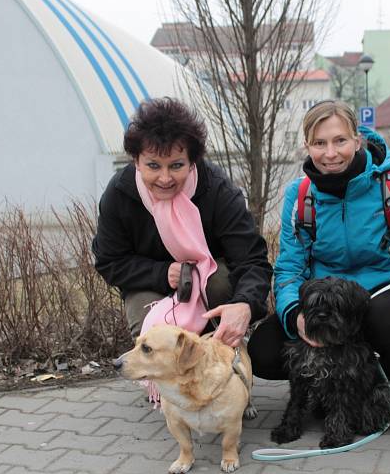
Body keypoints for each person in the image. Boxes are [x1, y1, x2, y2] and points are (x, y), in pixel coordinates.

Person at [248, 100, 390, 404]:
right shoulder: (300, 195)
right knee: (263, 350)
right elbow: (289, 268)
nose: (330, 154)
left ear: (357, 141)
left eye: (340, 141)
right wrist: (295, 316)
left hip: (382, 295)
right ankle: (328, 386)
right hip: (327, 299)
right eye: (320, 143)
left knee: (389, 323)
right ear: (307, 146)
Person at [92, 98, 272, 347]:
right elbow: (110, 261)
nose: (164, 178)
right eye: (153, 166)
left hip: (211, 282)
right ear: (136, 161)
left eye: (176, 165)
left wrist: (245, 303)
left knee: (219, 281)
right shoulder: (119, 194)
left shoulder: (218, 190)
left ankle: (222, 352)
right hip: (149, 283)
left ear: (192, 162)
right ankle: (165, 380)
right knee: (150, 329)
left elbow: (252, 260)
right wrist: (163, 273)